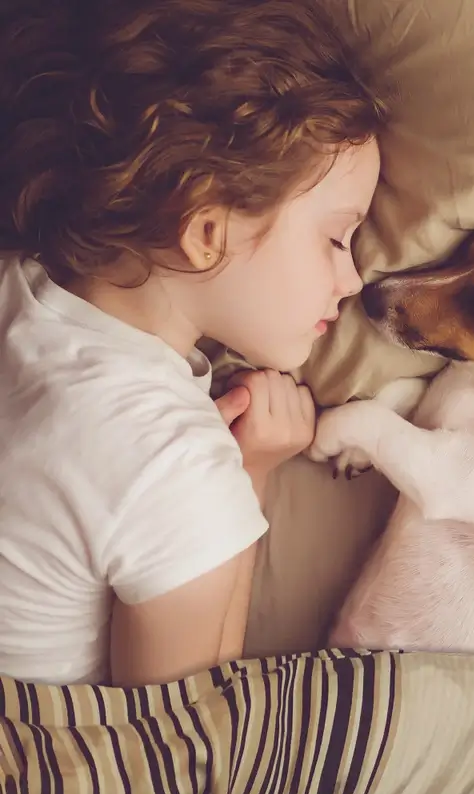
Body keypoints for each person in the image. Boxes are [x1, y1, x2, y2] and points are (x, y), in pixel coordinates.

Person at [0, 0, 386, 686]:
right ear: (206, 233)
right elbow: (183, 734)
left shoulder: (16, 280)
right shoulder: (175, 468)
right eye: (335, 237)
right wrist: (251, 475)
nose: (353, 279)